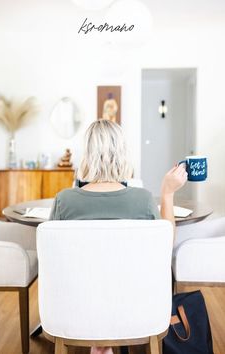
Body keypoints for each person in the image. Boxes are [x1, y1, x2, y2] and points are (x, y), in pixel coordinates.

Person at [50, 118, 187, 354]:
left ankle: (99, 341)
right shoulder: (143, 200)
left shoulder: (64, 200)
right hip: (136, 308)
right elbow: (164, 250)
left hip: (77, 308)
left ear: (87, 154)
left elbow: (53, 262)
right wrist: (167, 193)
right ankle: (108, 340)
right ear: (123, 154)